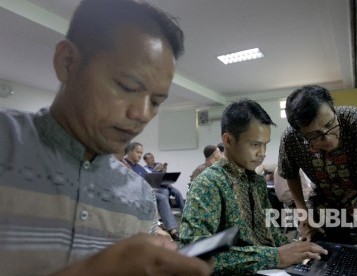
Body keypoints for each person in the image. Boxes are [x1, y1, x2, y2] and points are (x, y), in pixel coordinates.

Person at [0, 0, 213, 275]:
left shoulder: (139, 196)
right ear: (67, 62)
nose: (142, 114)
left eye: (157, 101)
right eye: (127, 87)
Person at [181, 99, 327, 275]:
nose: (262, 153)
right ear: (228, 140)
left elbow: (270, 232)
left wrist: (297, 246)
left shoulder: (256, 181)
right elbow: (193, 253)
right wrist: (275, 256)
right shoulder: (209, 183)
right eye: (255, 145)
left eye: (265, 144)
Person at [278, 85, 357, 251]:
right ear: (300, 132)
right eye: (314, 134)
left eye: (330, 124)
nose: (327, 138)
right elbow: (290, 174)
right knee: (327, 259)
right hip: (325, 206)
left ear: (334, 110)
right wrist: (304, 216)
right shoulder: (290, 138)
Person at [125, 142, 181, 240]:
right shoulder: (124, 164)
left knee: (164, 192)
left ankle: (168, 227)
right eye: (137, 152)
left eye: (141, 153)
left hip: (146, 190)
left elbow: (149, 180)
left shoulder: (139, 168)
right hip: (135, 193)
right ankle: (170, 229)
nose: (139, 155)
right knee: (162, 197)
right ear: (129, 151)